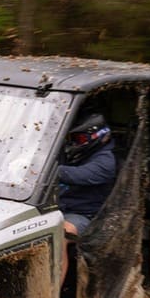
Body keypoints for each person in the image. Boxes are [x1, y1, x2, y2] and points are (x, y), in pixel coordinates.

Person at [58, 112, 117, 282]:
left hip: (86, 217)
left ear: (98, 137)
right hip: (57, 208)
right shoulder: (72, 153)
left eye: (80, 139)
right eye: (72, 138)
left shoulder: (105, 162)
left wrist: (44, 171)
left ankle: (52, 297)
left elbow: (77, 175)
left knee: (61, 234)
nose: (74, 143)